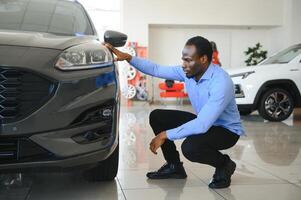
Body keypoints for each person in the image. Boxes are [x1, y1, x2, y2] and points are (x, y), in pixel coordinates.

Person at [104, 36, 244, 189]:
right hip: (204, 121)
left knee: (190, 147)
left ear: (203, 59)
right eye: (183, 59)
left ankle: (224, 164)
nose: (183, 65)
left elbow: (202, 124)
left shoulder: (220, 82)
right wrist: (129, 58)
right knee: (157, 116)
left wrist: (165, 134)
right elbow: (156, 69)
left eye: (188, 60)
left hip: (226, 131)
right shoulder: (188, 71)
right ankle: (174, 166)